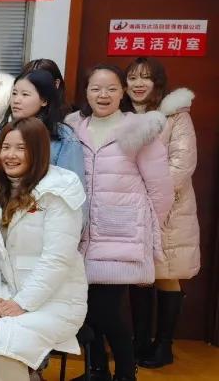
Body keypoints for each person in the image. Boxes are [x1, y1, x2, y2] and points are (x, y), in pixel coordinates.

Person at [0, 117, 88, 381]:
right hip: (7, 292)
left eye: (21, 148)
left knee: (0, 340)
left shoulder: (61, 188)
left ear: (38, 151)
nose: (10, 155)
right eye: (5, 147)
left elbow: (57, 259)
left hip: (55, 299)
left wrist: (23, 303)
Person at [66, 64, 173, 381]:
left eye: (111, 88)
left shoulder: (139, 129)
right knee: (85, 308)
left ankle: (126, 372)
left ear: (122, 92)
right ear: (86, 92)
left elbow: (161, 189)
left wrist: (145, 228)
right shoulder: (74, 128)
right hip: (81, 234)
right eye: (96, 88)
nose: (103, 95)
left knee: (108, 310)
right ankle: (97, 370)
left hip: (121, 234)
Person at [124, 57, 198, 369]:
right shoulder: (122, 115)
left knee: (166, 273)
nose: (138, 84)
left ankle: (164, 345)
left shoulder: (176, 116)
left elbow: (182, 163)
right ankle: (140, 342)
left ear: (158, 82)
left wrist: (153, 194)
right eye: (132, 77)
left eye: (145, 77)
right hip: (132, 206)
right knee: (140, 276)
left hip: (170, 207)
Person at [0, 69, 85, 183]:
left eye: (25, 94)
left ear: (44, 100)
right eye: (14, 93)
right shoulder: (2, 130)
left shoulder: (63, 136)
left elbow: (72, 183)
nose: (16, 100)